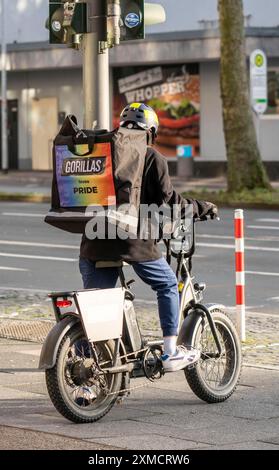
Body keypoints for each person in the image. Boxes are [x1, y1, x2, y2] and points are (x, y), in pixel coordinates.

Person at [79, 103, 218, 372]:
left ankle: (87, 362)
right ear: (151, 132)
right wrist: (202, 207)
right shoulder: (153, 157)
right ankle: (170, 351)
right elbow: (171, 203)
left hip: (93, 241)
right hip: (132, 241)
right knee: (167, 285)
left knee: (98, 304)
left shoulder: (103, 154)